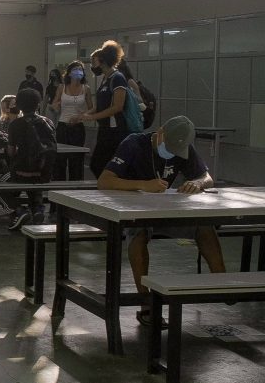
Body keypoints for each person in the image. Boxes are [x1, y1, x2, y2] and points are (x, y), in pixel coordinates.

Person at [97, 115, 226, 326]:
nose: (172, 151)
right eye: (169, 146)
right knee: (137, 236)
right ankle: (146, 303)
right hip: (132, 212)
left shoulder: (182, 147)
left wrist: (197, 183)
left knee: (204, 226)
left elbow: (207, 177)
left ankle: (223, 285)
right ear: (160, 133)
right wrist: (143, 185)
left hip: (165, 210)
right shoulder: (133, 144)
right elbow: (104, 181)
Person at [73, 41, 130, 178]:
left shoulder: (118, 78)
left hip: (115, 130)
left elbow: (118, 106)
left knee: (100, 164)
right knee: (98, 165)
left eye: (94, 61)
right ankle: (108, 188)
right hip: (104, 129)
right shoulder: (105, 79)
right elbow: (100, 106)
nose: (92, 65)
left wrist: (92, 117)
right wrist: (84, 115)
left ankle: (111, 189)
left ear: (103, 61)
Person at [5, 89, 57, 229]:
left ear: (19, 106)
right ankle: (38, 209)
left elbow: (11, 152)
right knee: (34, 180)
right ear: (38, 104)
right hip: (44, 172)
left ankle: (20, 210)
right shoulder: (48, 122)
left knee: (2, 186)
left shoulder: (15, 125)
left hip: (21, 172)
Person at [51, 61, 93, 181]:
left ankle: (76, 186)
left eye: (80, 70)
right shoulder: (62, 87)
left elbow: (91, 108)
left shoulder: (86, 89)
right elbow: (54, 103)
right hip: (63, 124)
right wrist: (56, 105)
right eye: (75, 70)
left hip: (78, 126)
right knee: (61, 159)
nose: (78, 72)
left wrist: (82, 116)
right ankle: (59, 187)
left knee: (77, 159)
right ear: (69, 73)